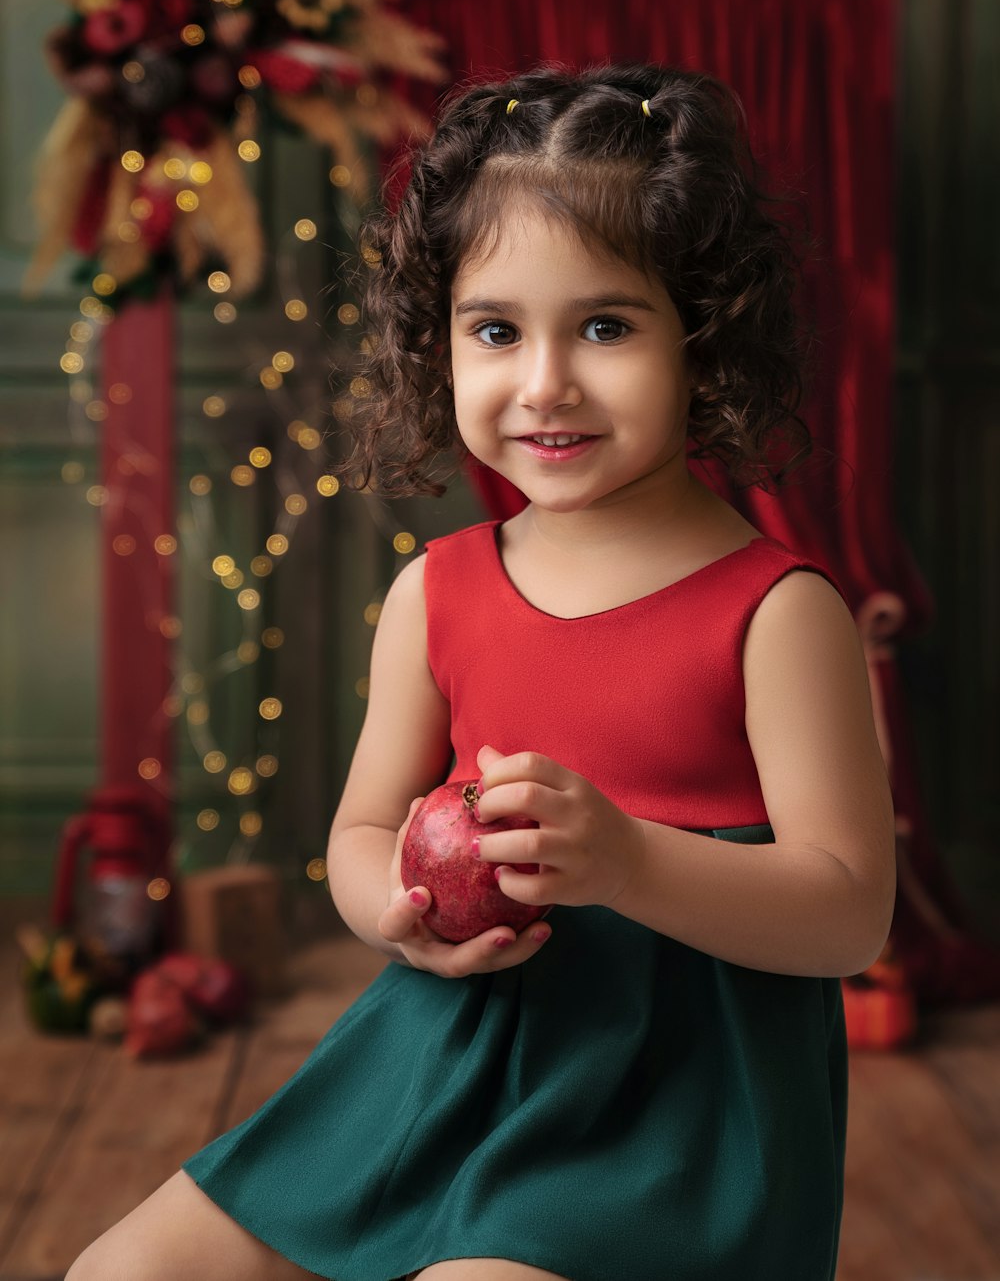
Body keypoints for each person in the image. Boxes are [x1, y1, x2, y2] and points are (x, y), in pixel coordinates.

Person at [67, 63, 896, 1281]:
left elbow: (849, 915)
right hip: (445, 1054)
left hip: (669, 1115)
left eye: (605, 326)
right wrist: (397, 923)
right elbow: (359, 832)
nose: (544, 381)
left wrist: (624, 861)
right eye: (496, 330)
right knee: (119, 1271)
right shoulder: (435, 591)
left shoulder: (777, 613)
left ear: (701, 337)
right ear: (440, 340)